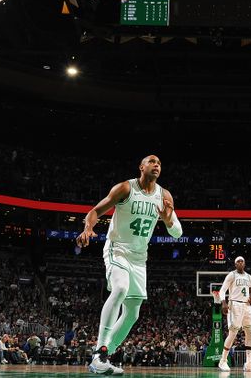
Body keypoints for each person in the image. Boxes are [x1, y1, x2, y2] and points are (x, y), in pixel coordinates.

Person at [76, 155, 183, 375]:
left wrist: (167, 219)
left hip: (139, 258)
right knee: (121, 288)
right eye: (152, 161)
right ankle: (99, 355)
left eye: (160, 163)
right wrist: (88, 228)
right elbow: (95, 211)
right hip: (118, 249)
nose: (156, 165)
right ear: (141, 167)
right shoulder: (126, 188)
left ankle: (103, 355)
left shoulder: (164, 195)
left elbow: (177, 232)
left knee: (133, 313)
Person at [217, 257, 251, 372]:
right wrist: (223, 303)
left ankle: (249, 363)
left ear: (244, 264)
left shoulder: (249, 277)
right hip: (234, 304)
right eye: (238, 262)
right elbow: (222, 290)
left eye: (242, 261)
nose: (240, 263)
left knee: (250, 332)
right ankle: (223, 361)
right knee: (233, 333)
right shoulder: (232, 275)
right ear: (235, 264)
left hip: (246, 306)